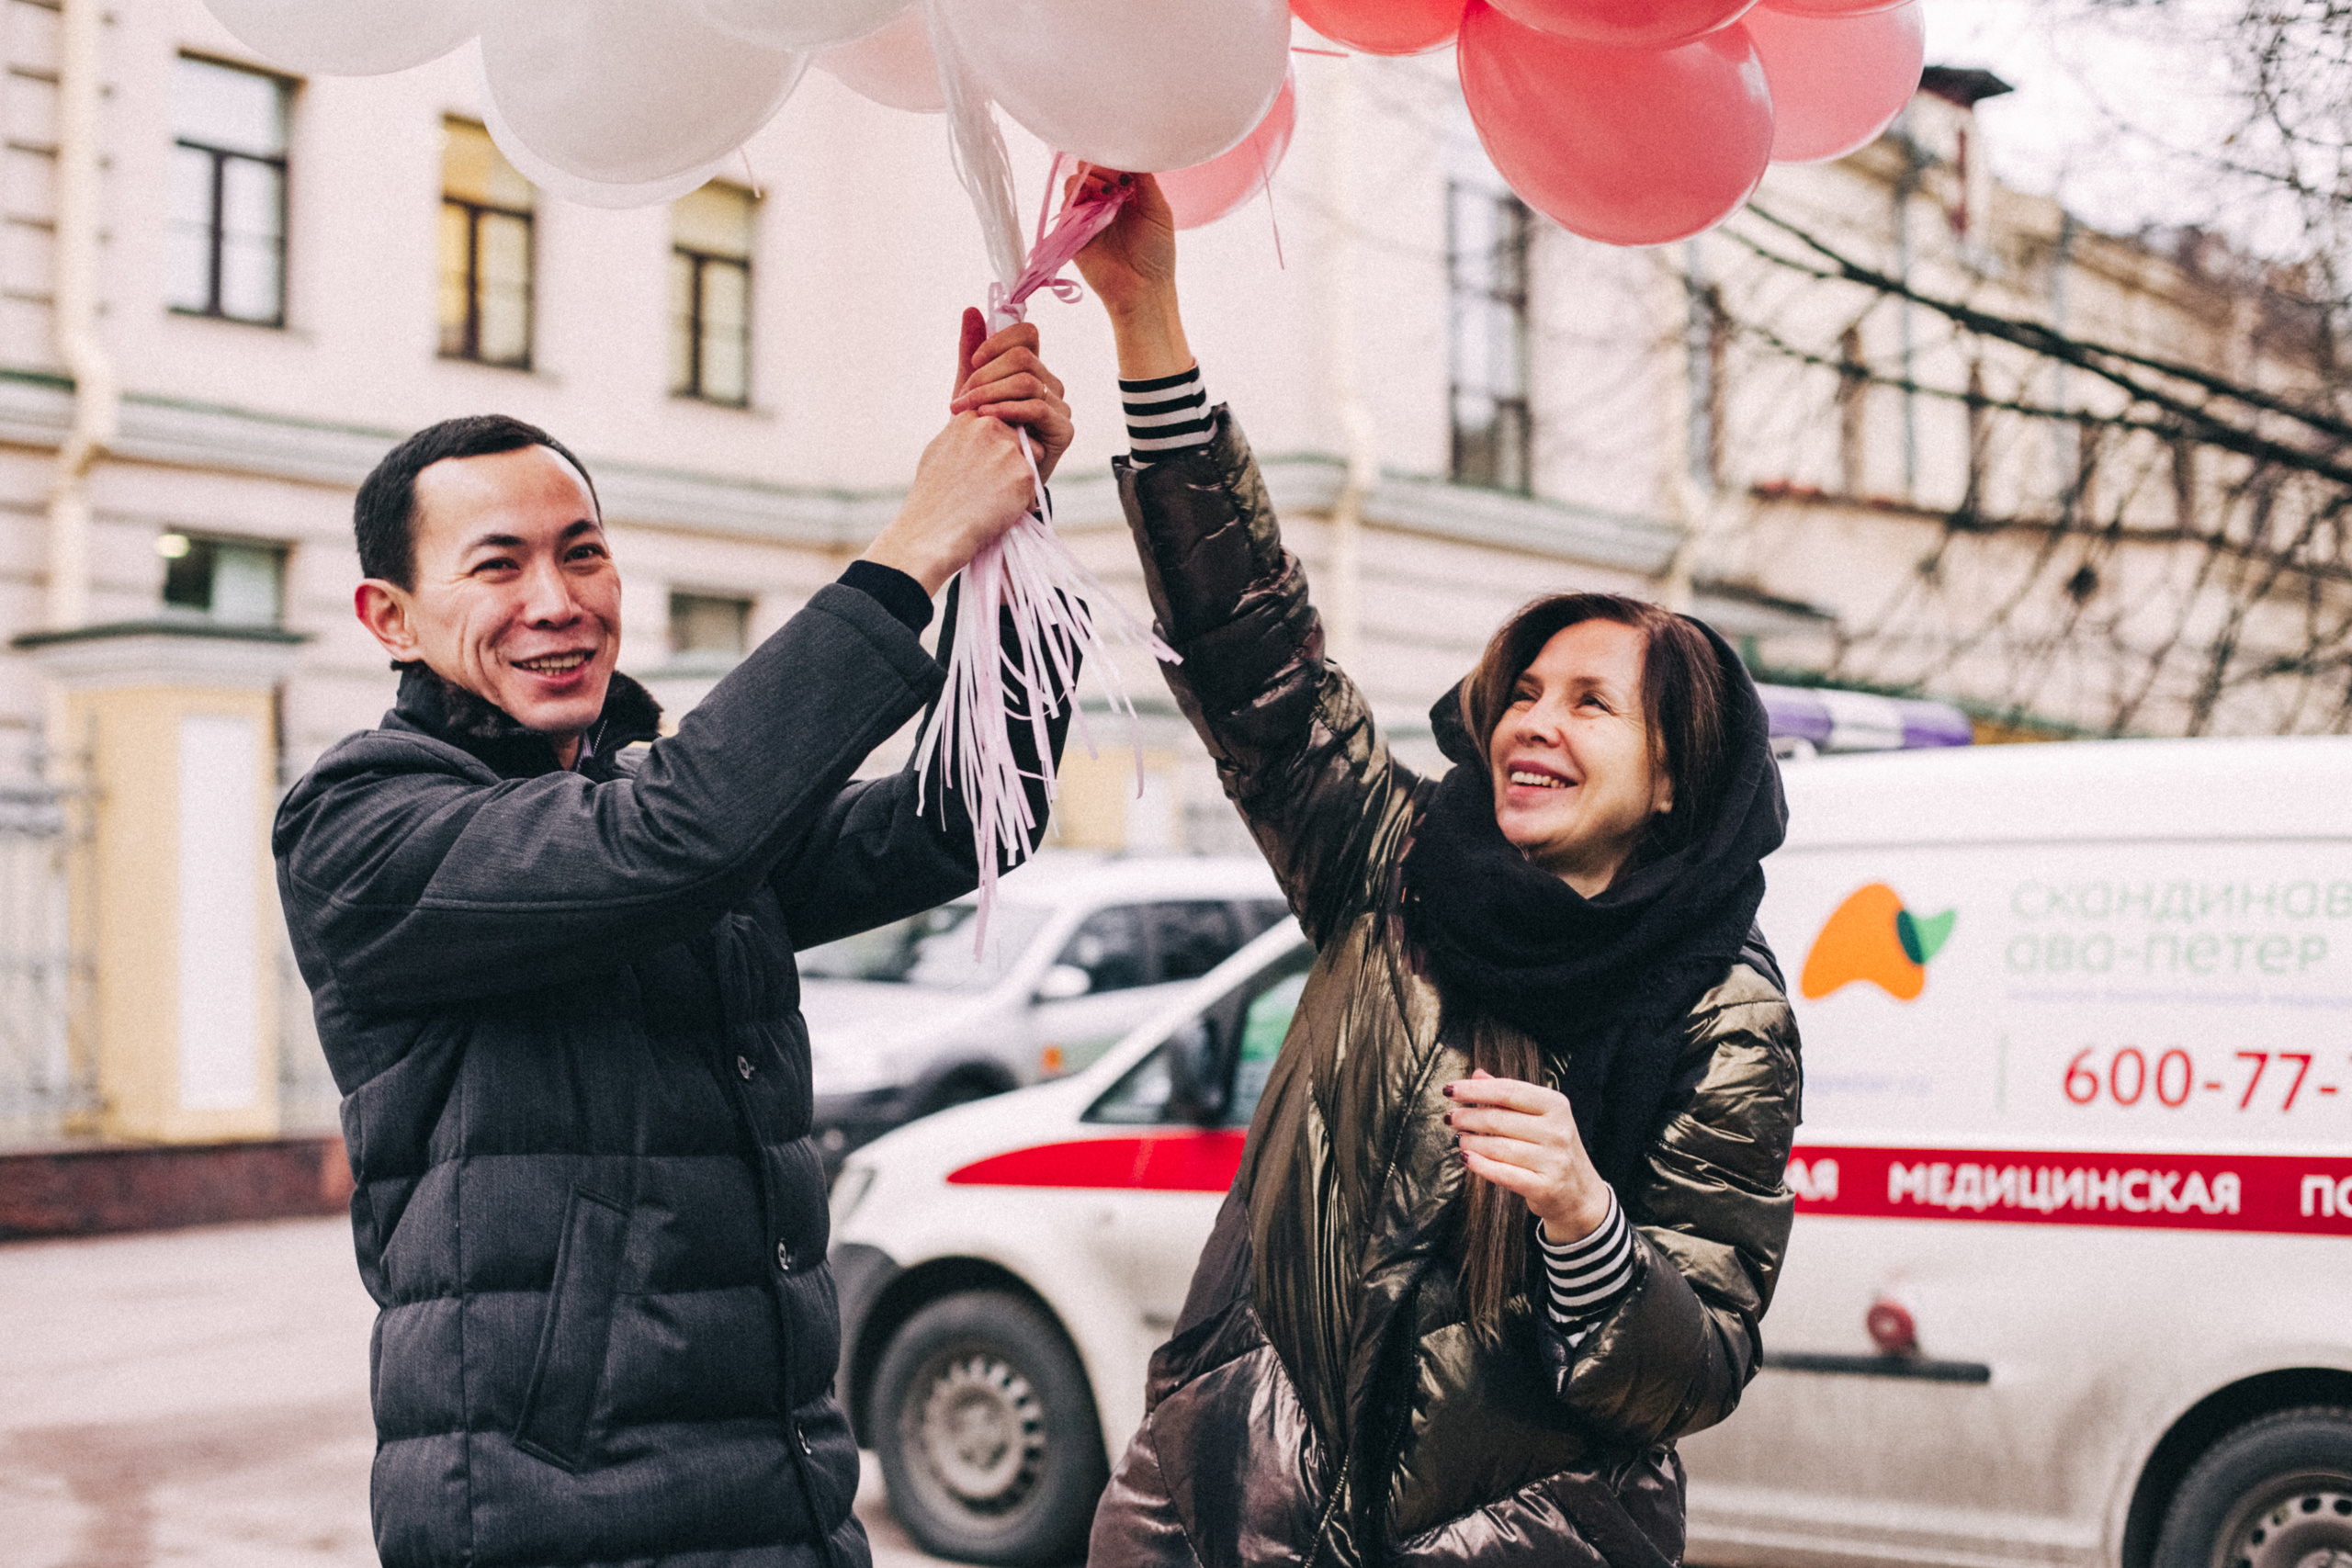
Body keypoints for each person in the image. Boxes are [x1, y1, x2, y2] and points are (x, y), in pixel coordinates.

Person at [1053, 170, 1801, 1568]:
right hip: (1233, 1508)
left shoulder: (1725, 1016)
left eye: (1589, 702)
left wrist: (1586, 1222)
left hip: (1519, 1537)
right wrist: (1149, 320)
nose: (1530, 720)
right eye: (1524, 691)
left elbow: (1691, 1370)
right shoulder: (1394, 869)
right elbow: (1254, 656)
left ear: (1677, 775)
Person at [275, 315, 1072, 1568]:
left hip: (786, 1490)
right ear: (391, 615)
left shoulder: (671, 807)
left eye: (582, 554)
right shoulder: (363, 826)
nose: (557, 602)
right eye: (498, 567)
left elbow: (979, 808)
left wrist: (1011, 528)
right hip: (559, 1518)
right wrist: (912, 545)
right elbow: (667, 841)